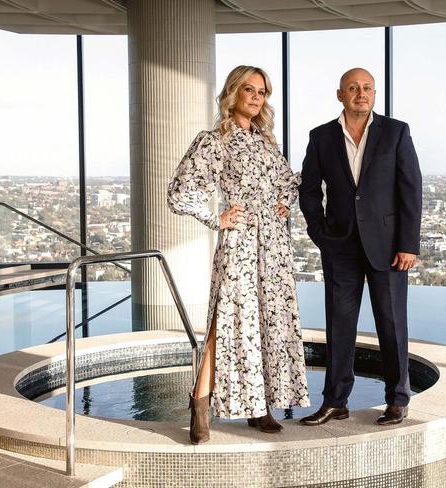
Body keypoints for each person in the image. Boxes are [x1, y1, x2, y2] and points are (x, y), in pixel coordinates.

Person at [167, 65, 310, 445]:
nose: (256, 96)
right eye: (249, 89)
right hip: (241, 244)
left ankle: (259, 406)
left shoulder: (267, 141)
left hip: (274, 246)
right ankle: (199, 402)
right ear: (233, 93)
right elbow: (180, 191)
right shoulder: (214, 141)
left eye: (262, 91)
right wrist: (217, 218)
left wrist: (283, 202)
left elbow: (289, 181)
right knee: (228, 322)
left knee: (267, 322)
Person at [298, 67, 422, 426]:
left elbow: (410, 189)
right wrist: (319, 233)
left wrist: (408, 244)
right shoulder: (321, 136)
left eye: (367, 88)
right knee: (339, 327)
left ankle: (398, 400)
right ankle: (335, 401)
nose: (361, 93)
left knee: (392, 324)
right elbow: (308, 190)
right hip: (339, 246)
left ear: (374, 94)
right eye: (353, 88)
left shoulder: (396, 132)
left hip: (388, 248)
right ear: (340, 94)